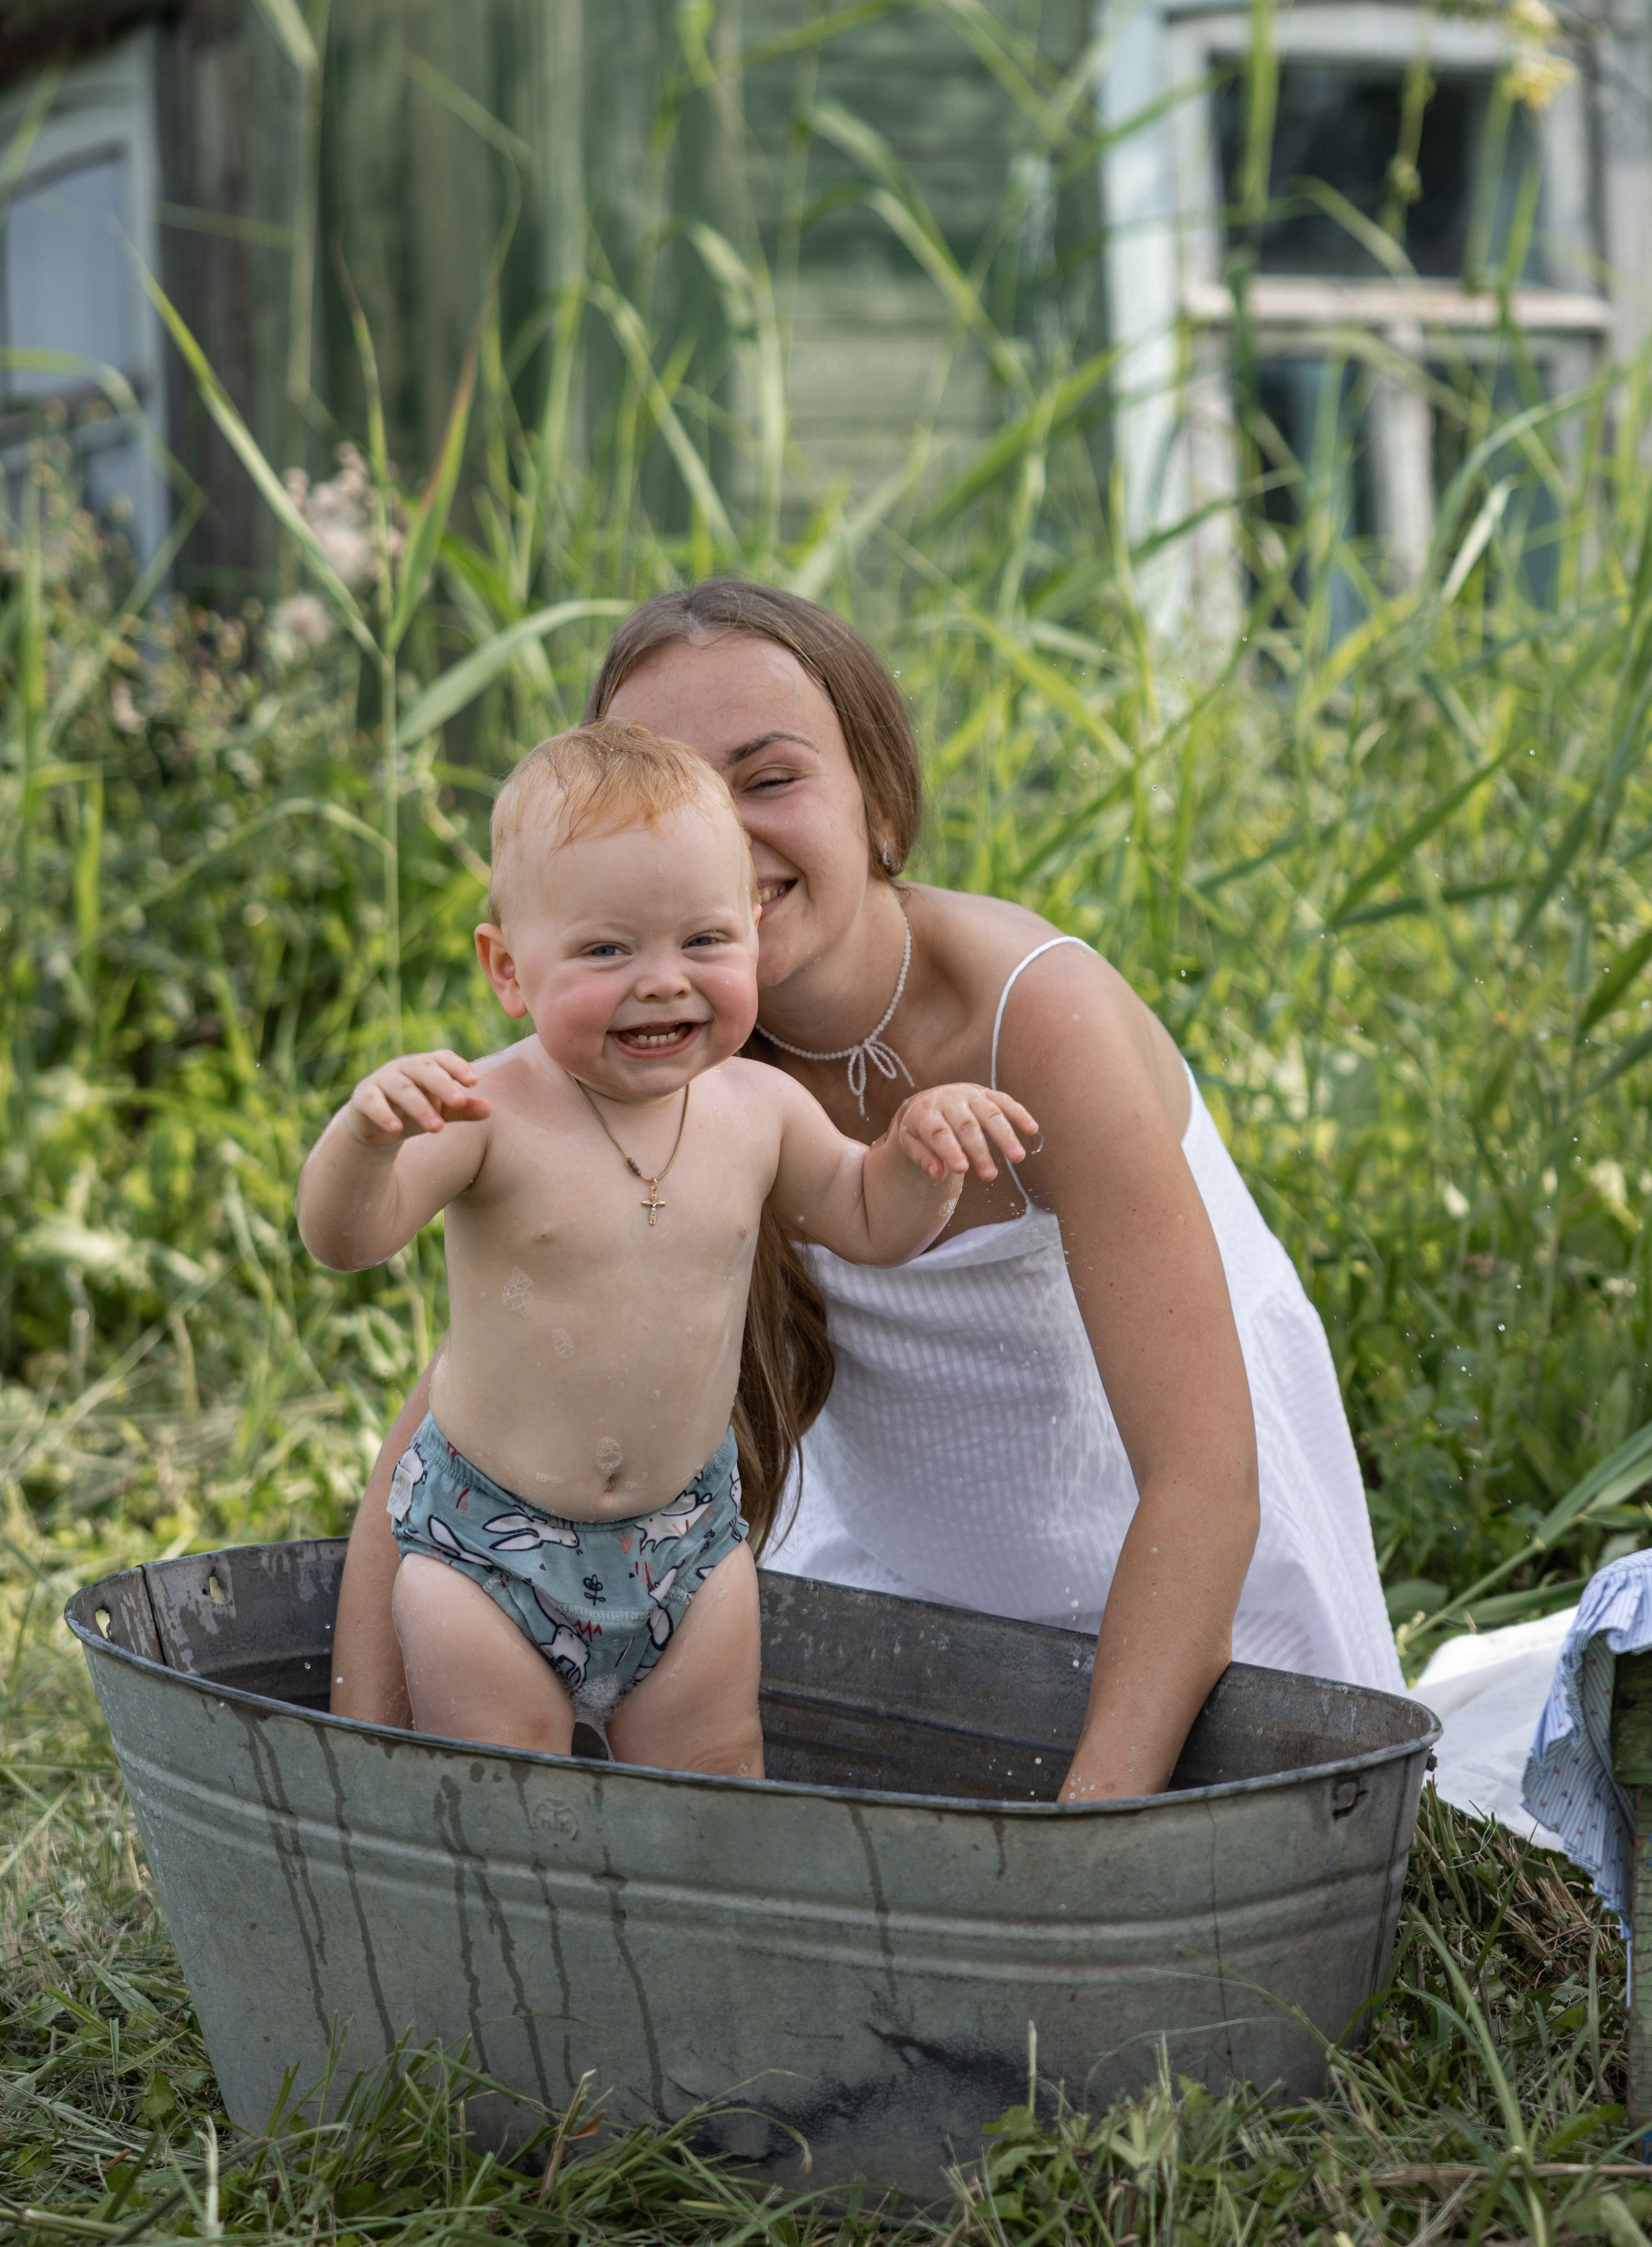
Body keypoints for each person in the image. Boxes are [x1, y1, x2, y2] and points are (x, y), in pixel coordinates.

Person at [330, 581, 1404, 1800]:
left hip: (1179, 1587)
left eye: (769, 778)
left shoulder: (1036, 1017)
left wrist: (1086, 1846)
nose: (723, 837)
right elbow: (470, 1403)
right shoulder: (664, 1048)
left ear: (879, 803)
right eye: (673, 793)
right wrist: (353, 1749)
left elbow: (1205, 1481)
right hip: (908, 1575)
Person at [298, 721, 1034, 1773]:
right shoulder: (484, 1112)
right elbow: (346, 1241)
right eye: (607, 950)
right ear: (509, 969)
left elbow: (871, 1219)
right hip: (489, 1553)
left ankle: (691, 1875)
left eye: (704, 941)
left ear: (751, 932)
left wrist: (921, 1153)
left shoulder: (758, 1110)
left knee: (714, 1776)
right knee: (505, 1779)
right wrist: (365, 1139)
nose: (662, 981)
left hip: (685, 1546)